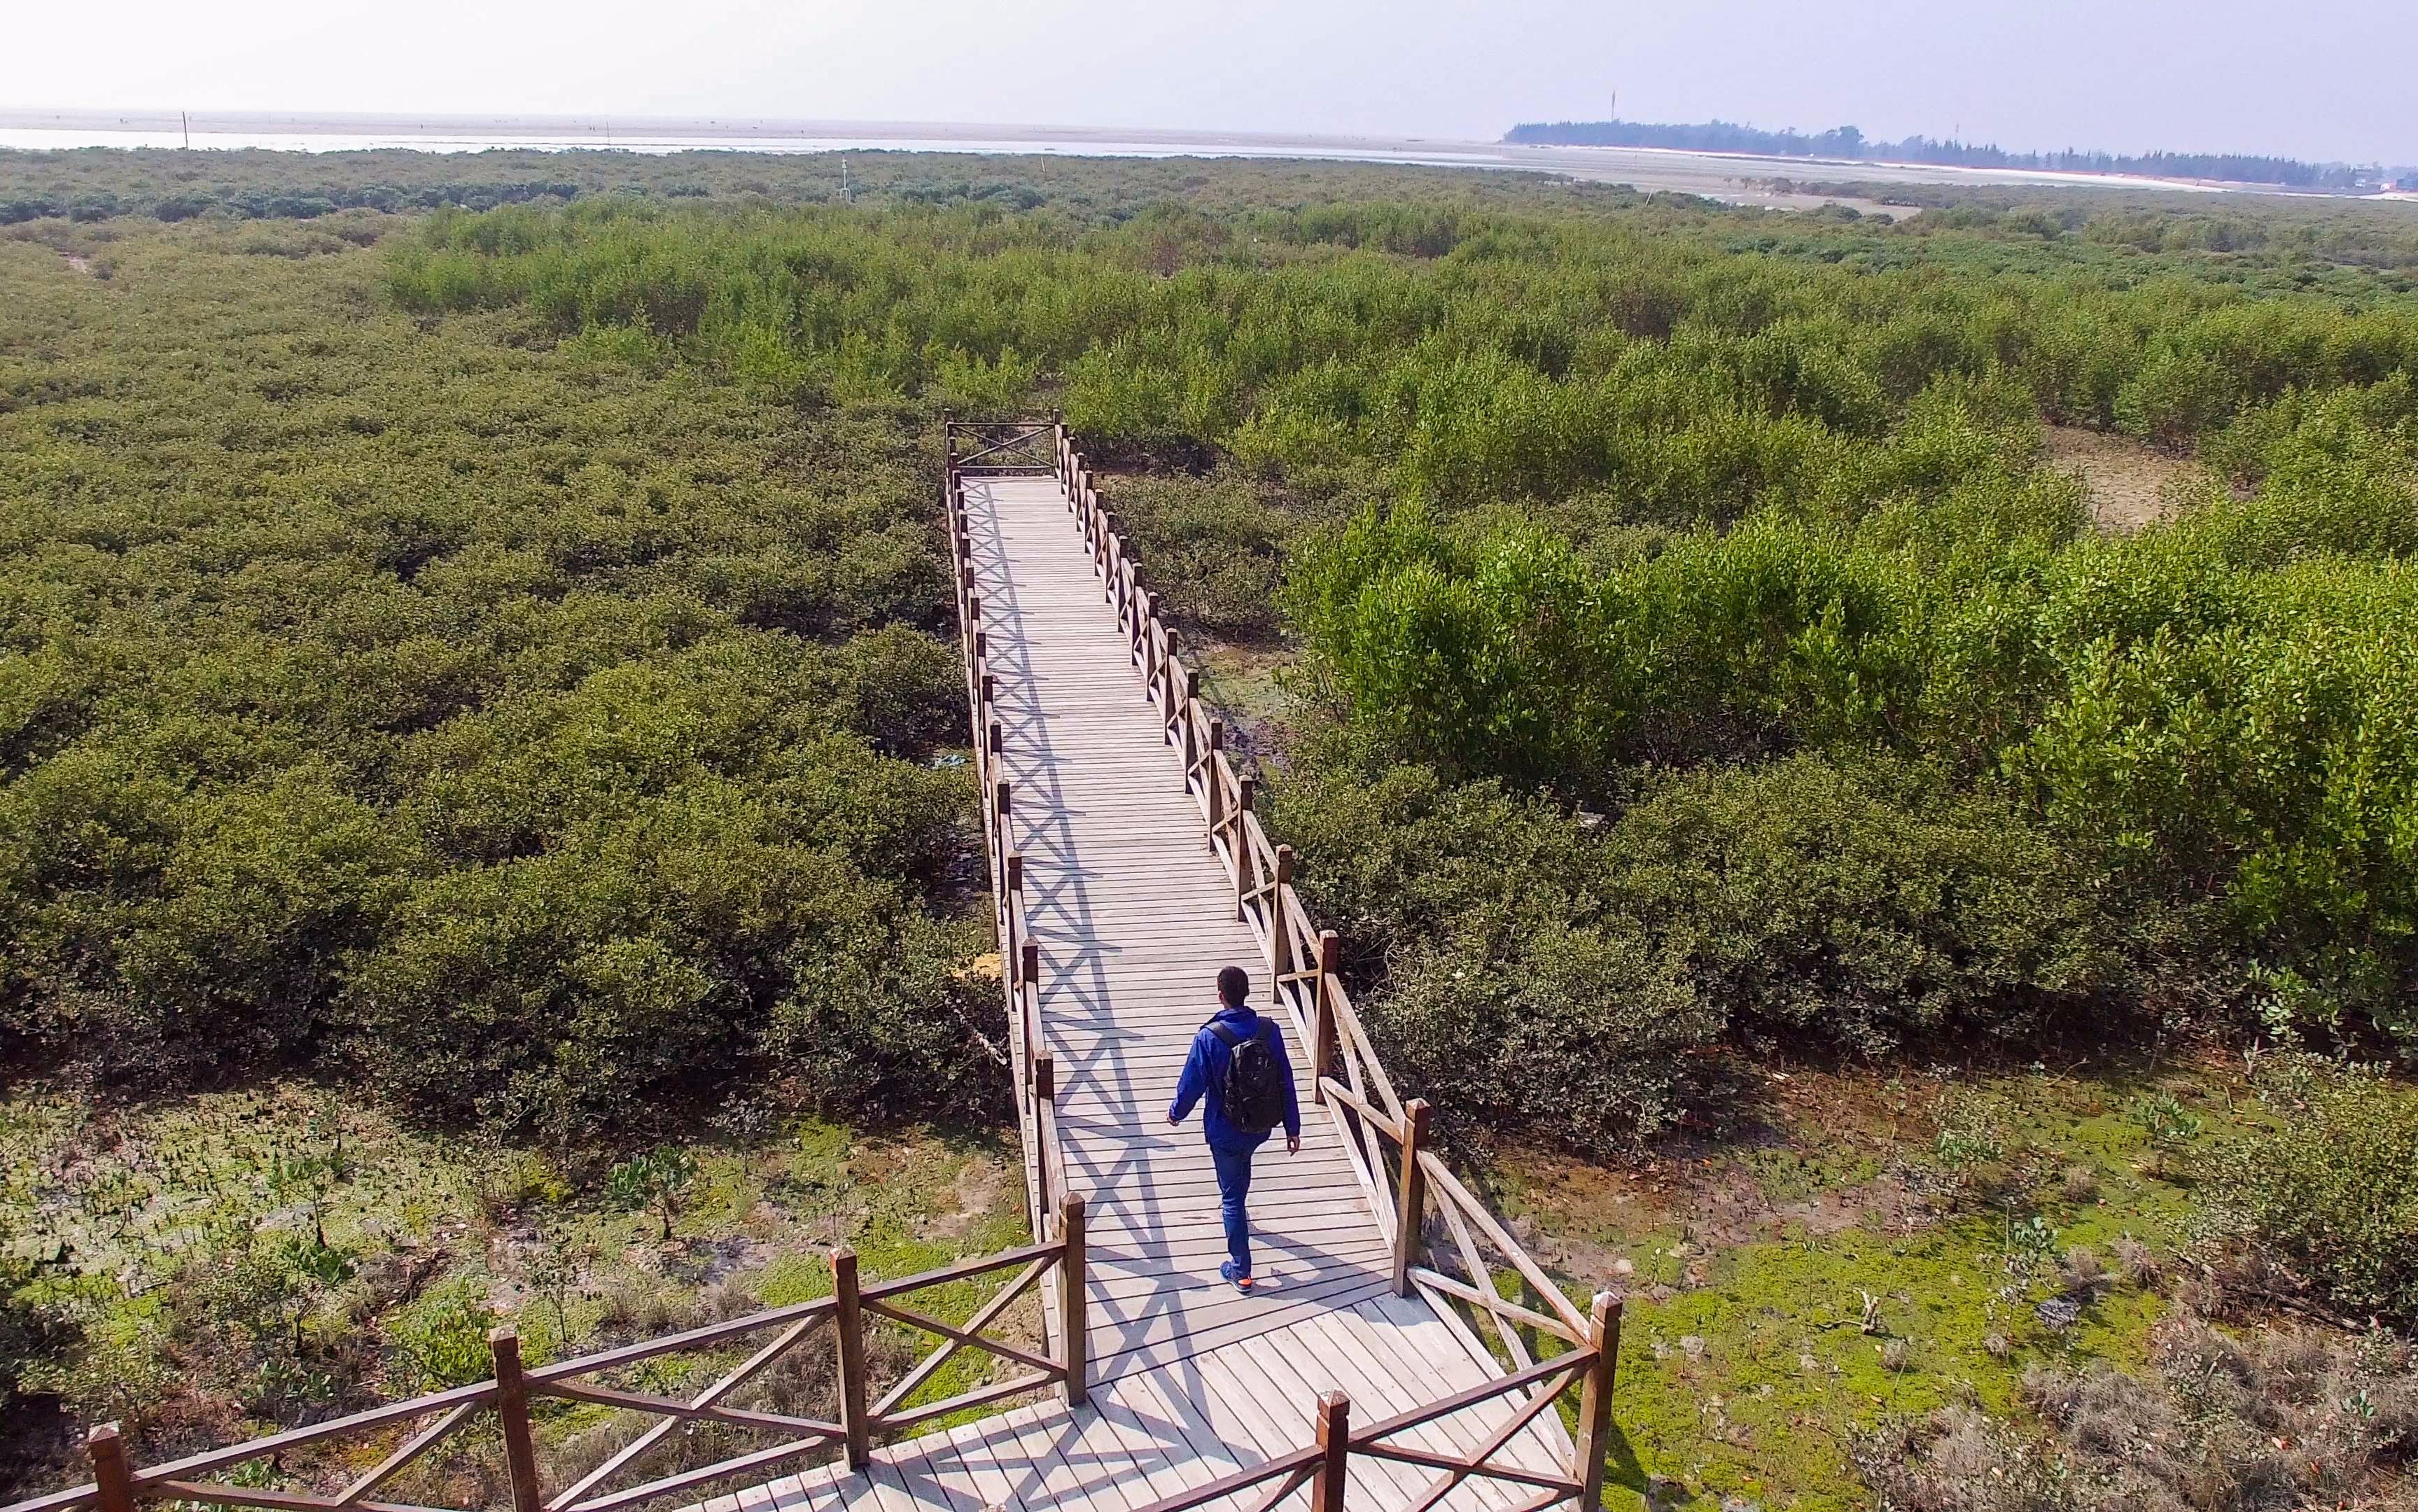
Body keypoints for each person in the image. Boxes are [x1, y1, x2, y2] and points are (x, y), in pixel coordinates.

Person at [1167, 965, 1302, 1292]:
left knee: (1230, 1199)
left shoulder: (1208, 1037)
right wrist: (1292, 1128)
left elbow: (1192, 1084)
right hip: (1260, 1127)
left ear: (1221, 995)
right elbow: (1285, 1079)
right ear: (1246, 993)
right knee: (1242, 1170)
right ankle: (1241, 1217)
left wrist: (1176, 1113)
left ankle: (1240, 1271)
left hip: (1224, 1130)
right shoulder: (1270, 1031)